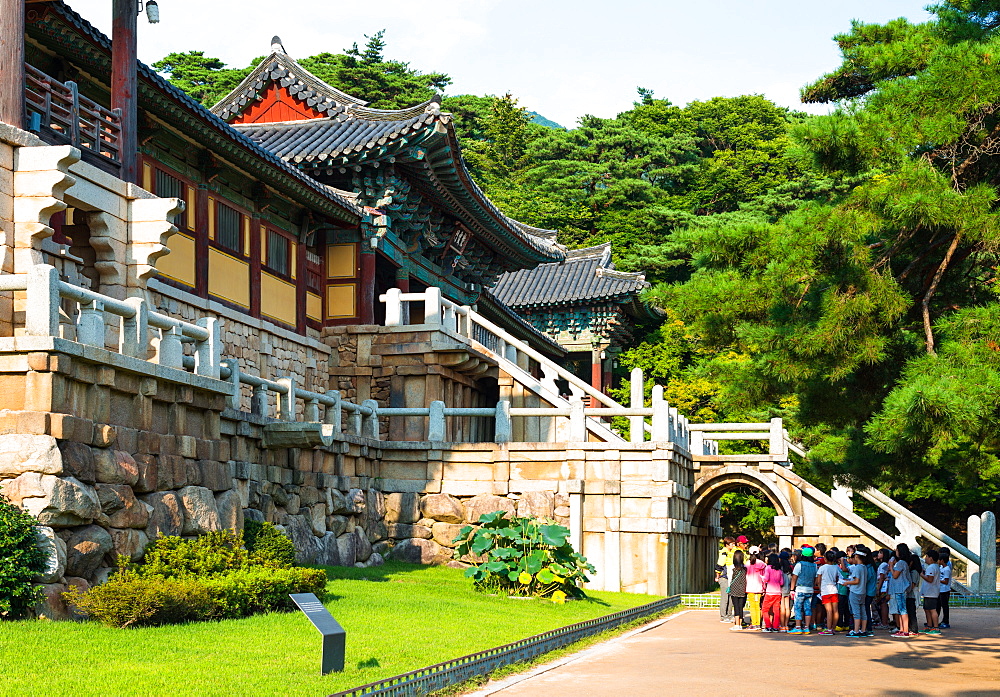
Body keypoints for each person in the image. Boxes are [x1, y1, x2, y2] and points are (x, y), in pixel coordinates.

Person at [789, 547, 817, 634]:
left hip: (800, 589)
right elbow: (815, 579)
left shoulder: (799, 564)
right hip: (810, 589)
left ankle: (798, 627)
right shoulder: (815, 565)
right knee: (808, 608)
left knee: (798, 608)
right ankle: (807, 627)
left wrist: (792, 589)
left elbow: (794, 577)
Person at [842, 550, 869, 637]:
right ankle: (863, 630)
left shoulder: (857, 568)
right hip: (862, 591)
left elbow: (856, 581)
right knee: (863, 611)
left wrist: (847, 583)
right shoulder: (864, 567)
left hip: (855, 591)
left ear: (857, 557)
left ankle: (856, 630)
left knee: (856, 612)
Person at [888, 545, 912, 638]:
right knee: (900, 610)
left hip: (900, 589)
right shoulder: (902, 563)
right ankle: (902, 629)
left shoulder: (901, 563)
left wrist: (891, 566)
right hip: (899, 589)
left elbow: (895, 575)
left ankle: (905, 630)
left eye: (897, 550)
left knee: (902, 610)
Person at [816, 550, 841, 635]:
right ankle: (833, 627)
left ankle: (829, 629)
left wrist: (820, 589)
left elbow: (818, 581)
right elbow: (838, 578)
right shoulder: (836, 567)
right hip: (834, 589)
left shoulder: (822, 568)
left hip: (825, 590)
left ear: (825, 558)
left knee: (829, 611)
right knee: (835, 610)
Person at [919, 549, 942, 635]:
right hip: (930, 592)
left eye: (927, 557)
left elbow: (930, 579)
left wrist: (921, 574)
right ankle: (929, 626)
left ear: (931, 558)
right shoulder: (935, 567)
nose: (925, 558)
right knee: (927, 609)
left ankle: (935, 627)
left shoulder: (931, 567)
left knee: (932, 609)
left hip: (931, 592)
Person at [762, 553, 785, 632]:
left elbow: (766, 579)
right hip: (778, 592)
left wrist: (762, 578)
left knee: (765, 610)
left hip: (769, 592)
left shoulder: (768, 568)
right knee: (776, 611)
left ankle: (768, 626)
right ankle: (775, 626)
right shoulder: (779, 570)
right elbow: (782, 582)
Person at [745, 546, 766, 630]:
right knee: (757, 606)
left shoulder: (747, 563)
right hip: (759, 588)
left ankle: (754, 623)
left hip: (750, 588)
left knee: (752, 606)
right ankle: (758, 623)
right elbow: (764, 577)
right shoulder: (762, 564)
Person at [715, 537, 736, 623]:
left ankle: (729, 615)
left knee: (731, 597)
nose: (734, 545)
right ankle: (723, 616)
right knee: (725, 598)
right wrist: (717, 576)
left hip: (731, 577)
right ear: (727, 545)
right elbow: (719, 566)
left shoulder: (732, 552)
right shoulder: (724, 553)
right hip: (724, 577)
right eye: (732, 544)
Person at [729, 549, 748, 631]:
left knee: (736, 606)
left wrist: (728, 587)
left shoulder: (732, 567)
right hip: (743, 588)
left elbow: (730, 578)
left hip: (734, 589)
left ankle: (737, 624)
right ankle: (740, 622)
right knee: (741, 606)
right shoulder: (745, 568)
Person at [938, 547, 952, 629]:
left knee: (944, 605)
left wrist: (938, 580)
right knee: (938, 605)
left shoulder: (947, 566)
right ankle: (936, 620)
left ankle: (945, 620)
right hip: (940, 588)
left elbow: (945, 580)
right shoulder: (942, 567)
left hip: (945, 588)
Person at [779, 550, 793, 632]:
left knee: (782, 607)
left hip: (781, 589)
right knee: (788, 607)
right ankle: (786, 625)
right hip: (788, 588)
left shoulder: (780, 568)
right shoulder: (790, 568)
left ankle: (782, 625)